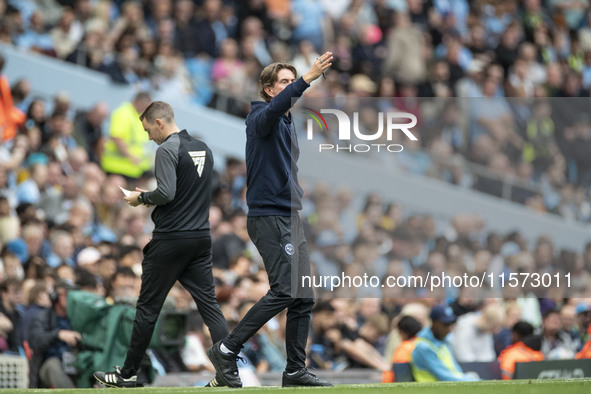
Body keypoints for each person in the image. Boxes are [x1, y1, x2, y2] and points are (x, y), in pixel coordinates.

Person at [206, 52, 334, 388]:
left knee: (304, 295)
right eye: (284, 81)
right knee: (285, 289)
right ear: (268, 89)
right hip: (269, 216)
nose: (290, 85)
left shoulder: (287, 122)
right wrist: (306, 79)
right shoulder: (260, 114)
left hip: (290, 216)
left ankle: (294, 369)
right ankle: (227, 348)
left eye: (293, 80)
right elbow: (277, 109)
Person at [93, 101, 229, 387]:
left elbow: (166, 193)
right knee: (210, 306)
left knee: (147, 309)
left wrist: (140, 198)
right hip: (201, 238)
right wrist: (153, 194)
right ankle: (229, 373)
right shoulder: (203, 148)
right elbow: (188, 192)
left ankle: (127, 374)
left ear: (159, 123)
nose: (148, 137)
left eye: (147, 130)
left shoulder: (167, 149)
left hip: (171, 238)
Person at [28, 280, 81, 388]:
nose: (72, 298)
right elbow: (35, 341)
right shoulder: (42, 317)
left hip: (74, 364)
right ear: (55, 297)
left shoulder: (78, 317)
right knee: (53, 364)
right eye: (67, 295)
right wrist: (58, 334)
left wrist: (80, 341)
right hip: (46, 368)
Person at [410, 305, 478, 382]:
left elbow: (455, 372)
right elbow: (445, 377)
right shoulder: (423, 347)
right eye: (445, 324)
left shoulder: (443, 341)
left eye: (451, 324)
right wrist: (477, 382)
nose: (449, 329)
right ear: (434, 323)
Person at [100, 92, 152, 181]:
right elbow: (117, 137)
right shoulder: (123, 113)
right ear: (139, 101)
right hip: (118, 167)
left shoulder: (138, 116)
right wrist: (131, 157)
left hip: (134, 169)